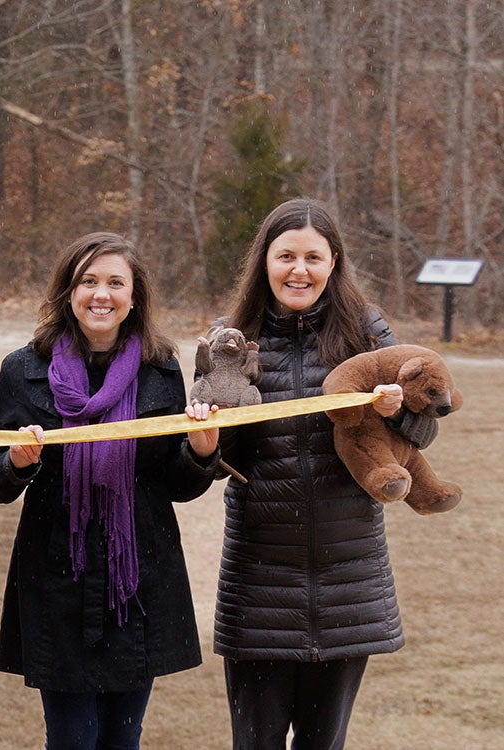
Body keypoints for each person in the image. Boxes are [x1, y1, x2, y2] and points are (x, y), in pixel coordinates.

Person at [205, 198, 431, 750]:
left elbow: (422, 436)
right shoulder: (231, 337)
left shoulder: (369, 333)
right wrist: (204, 440)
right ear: (265, 261)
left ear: (334, 263)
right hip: (259, 582)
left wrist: (401, 411)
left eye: (313, 256)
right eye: (286, 256)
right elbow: (214, 461)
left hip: (349, 579)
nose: (299, 270)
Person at [0, 233, 223, 750]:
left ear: (135, 296)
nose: (101, 294)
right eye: (88, 281)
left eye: (116, 282)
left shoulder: (160, 371)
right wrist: (20, 464)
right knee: (71, 740)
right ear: (68, 292)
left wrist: (201, 452)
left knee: (122, 740)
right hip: (56, 578)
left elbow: (176, 485)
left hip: (138, 580)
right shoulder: (23, 372)